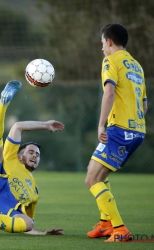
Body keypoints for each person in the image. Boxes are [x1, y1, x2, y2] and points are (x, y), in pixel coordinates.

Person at [0, 80, 65, 235]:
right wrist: (45, 125)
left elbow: (25, 224)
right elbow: (17, 127)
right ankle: (3, 103)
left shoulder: (34, 191)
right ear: (20, 156)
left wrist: (42, 234)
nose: (35, 156)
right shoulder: (12, 158)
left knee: (28, 223)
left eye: (37, 154)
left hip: (3, 209)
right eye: (31, 152)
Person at [85, 23, 147, 243]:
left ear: (109, 41)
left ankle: (120, 229)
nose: (102, 48)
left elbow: (109, 92)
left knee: (91, 179)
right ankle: (104, 225)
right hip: (138, 130)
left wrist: (101, 125)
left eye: (102, 43)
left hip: (119, 129)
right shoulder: (137, 66)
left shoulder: (111, 61)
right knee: (101, 176)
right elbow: (145, 104)